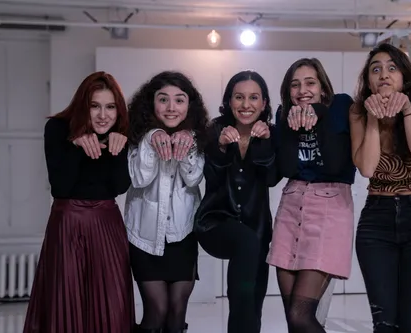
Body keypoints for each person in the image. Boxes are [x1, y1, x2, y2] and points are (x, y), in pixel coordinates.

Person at [23, 72, 135, 333]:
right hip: (67, 223)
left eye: (110, 107)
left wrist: (119, 151)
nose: (103, 115)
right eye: (95, 106)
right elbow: (60, 188)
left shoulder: (119, 132)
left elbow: (118, 187)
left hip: (107, 224)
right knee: (65, 297)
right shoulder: (58, 128)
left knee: (112, 301)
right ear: (83, 106)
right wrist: (77, 145)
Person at [350, 42, 411, 333]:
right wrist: (372, 118)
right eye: (375, 69)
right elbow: (367, 168)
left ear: (404, 75)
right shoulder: (358, 110)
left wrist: (406, 110)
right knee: (384, 325)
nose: (384, 74)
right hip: (376, 221)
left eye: (392, 68)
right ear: (368, 80)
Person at [266, 58, 356, 333]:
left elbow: (336, 165)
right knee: (295, 323)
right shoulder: (285, 115)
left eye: (310, 82)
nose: (302, 89)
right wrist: (292, 129)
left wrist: (317, 113)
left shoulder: (340, 105)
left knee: (300, 316)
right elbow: (286, 169)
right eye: (295, 85)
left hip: (330, 207)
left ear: (323, 88)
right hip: (291, 205)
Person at [124, 71, 208, 333]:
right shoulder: (136, 137)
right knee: (156, 312)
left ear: (189, 105)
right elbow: (139, 178)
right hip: (144, 238)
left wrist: (189, 141)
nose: (171, 107)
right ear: (152, 103)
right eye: (163, 100)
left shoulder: (198, 137)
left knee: (176, 313)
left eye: (179, 100)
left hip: (182, 237)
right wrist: (151, 138)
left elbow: (193, 179)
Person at [194, 70, 277, 333]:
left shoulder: (271, 134)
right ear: (229, 101)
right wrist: (219, 148)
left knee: (254, 298)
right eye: (239, 97)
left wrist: (263, 143)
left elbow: (273, 178)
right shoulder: (214, 130)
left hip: (257, 227)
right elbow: (209, 179)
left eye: (254, 98)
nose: (246, 105)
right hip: (215, 222)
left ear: (264, 103)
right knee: (246, 244)